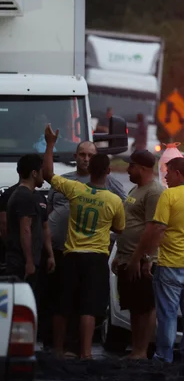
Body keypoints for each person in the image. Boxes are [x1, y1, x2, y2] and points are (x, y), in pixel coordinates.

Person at [41, 124, 126, 359]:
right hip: (96, 257)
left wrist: (50, 144)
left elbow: (48, 175)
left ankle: (58, 350)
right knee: (89, 307)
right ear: (108, 171)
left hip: (71, 254)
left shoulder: (76, 190)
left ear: (93, 166)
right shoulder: (113, 200)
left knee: (63, 304)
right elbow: (120, 227)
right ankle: (86, 354)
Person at [129, 157, 184, 364]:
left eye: (168, 172)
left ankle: (164, 358)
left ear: (178, 173)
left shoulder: (169, 195)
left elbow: (158, 228)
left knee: (167, 316)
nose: (166, 176)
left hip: (169, 266)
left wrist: (149, 258)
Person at [112, 150, 164, 360]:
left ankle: (142, 351)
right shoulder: (137, 189)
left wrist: (142, 259)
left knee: (145, 306)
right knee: (133, 305)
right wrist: (120, 254)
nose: (127, 169)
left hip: (142, 261)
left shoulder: (154, 192)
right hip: (127, 257)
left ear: (142, 168)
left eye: (131, 166)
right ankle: (135, 349)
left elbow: (153, 229)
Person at [5, 154, 55, 291]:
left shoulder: (36, 197)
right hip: (20, 263)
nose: (44, 176)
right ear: (34, 173)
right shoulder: (23, 196)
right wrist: (29, 262)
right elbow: (25, 230)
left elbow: (44, 228)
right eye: (41, 171)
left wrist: (50, 255)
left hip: (36, 261)